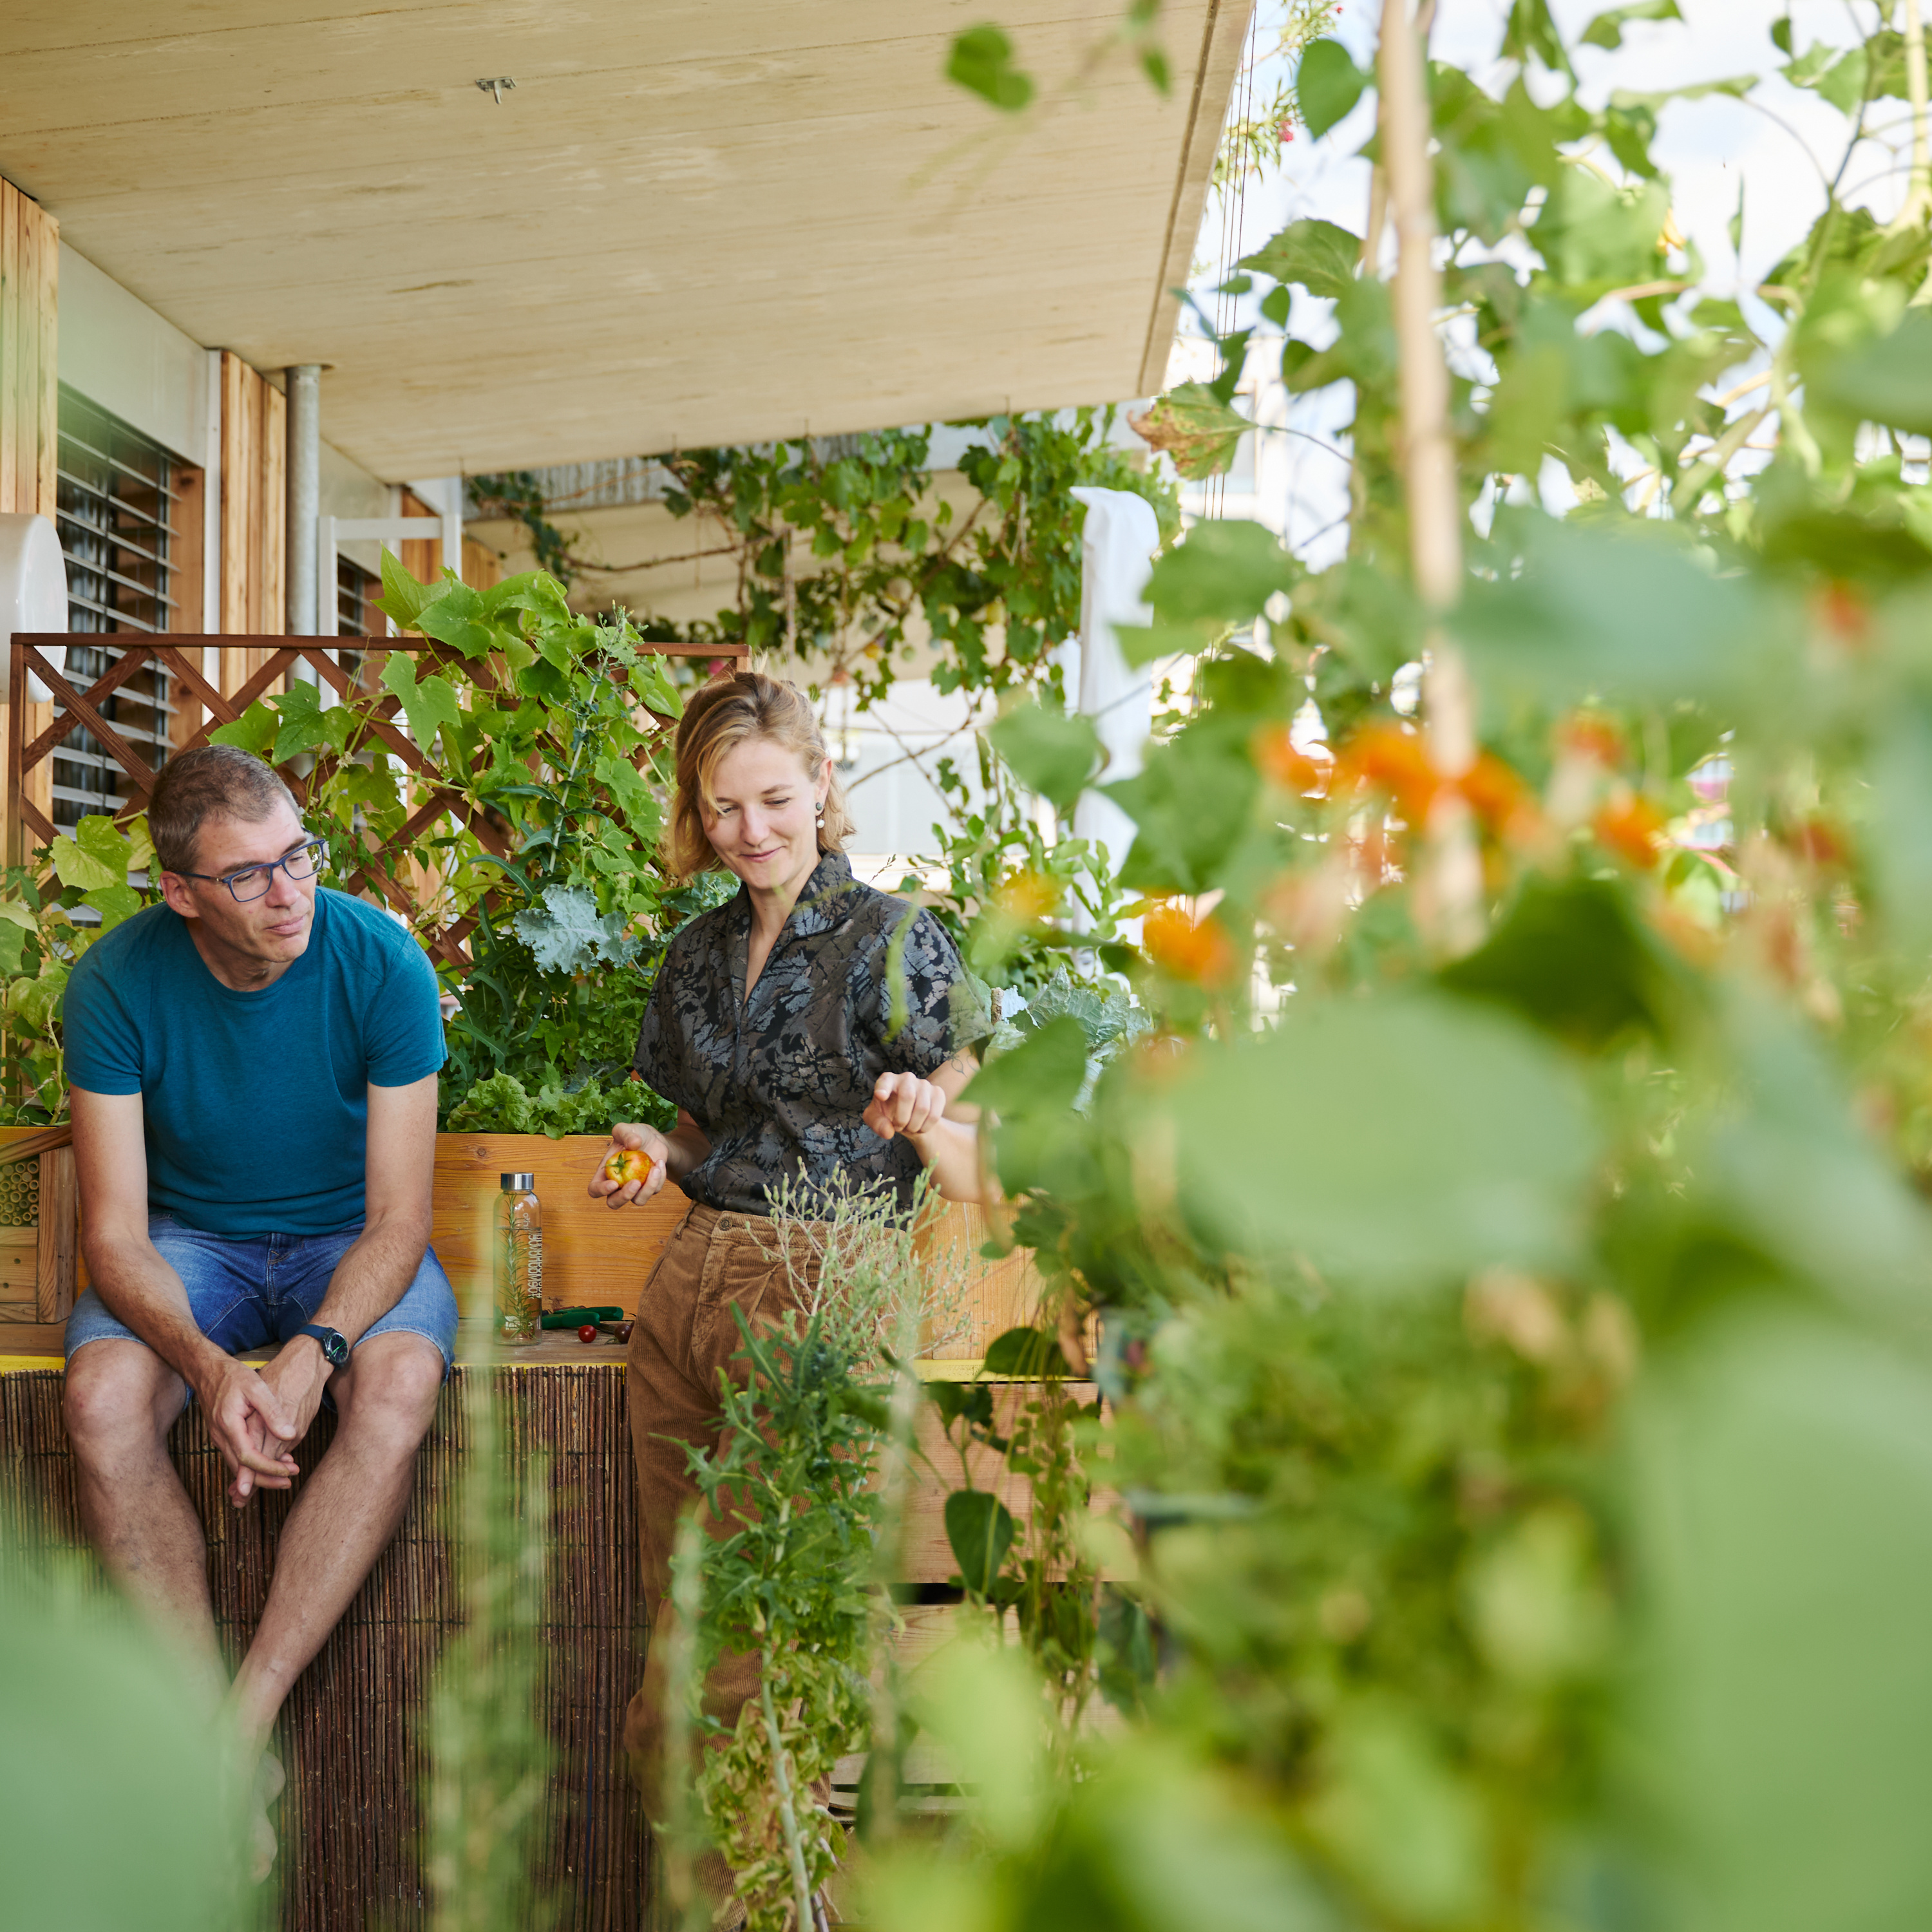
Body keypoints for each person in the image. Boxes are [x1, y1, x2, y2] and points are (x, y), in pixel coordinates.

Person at [587, 670, 981, 1898]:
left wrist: (927, 1104)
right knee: (678, 1641)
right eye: (722, 808)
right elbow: (725, 1138)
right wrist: (664, 1152)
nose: (750, 831)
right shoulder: (699, 956)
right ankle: (747, 1904)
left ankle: (770, 1903)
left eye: (772, 798)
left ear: (822, 785)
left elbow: (955, 1102)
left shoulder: (894, 938)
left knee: (752, 1659)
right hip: (691, 1289)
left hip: (819, 1287)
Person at [59, 744, 455, 1880]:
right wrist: (211, 1363)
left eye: (299, 857)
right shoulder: (116, 983)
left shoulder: (381, 962)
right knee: (98, 1399)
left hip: (349, 1239)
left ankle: (239, 1733)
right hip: (193, 1248)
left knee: (399, 1382)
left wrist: (314, 1353)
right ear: (180, 892)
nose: (291, 895)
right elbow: (116, 1237)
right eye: (250, 877)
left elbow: (399, 1220)